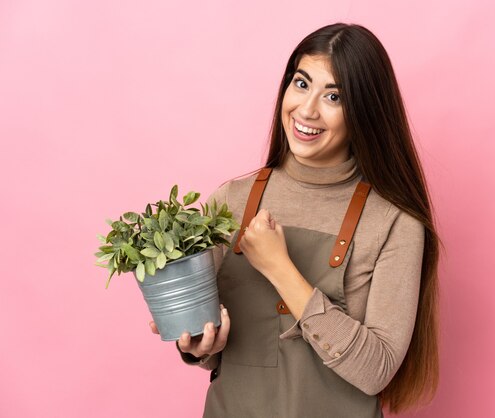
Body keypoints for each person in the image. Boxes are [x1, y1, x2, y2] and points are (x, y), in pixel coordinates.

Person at [149, 22, 441, 417]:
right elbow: (220, 348)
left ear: (365, 113)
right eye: (301, 84)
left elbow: (377, 371)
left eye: (333, 96)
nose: (307, 110)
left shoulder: (394, 222)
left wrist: (279, 267)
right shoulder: (230, 202)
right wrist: (200, 347)